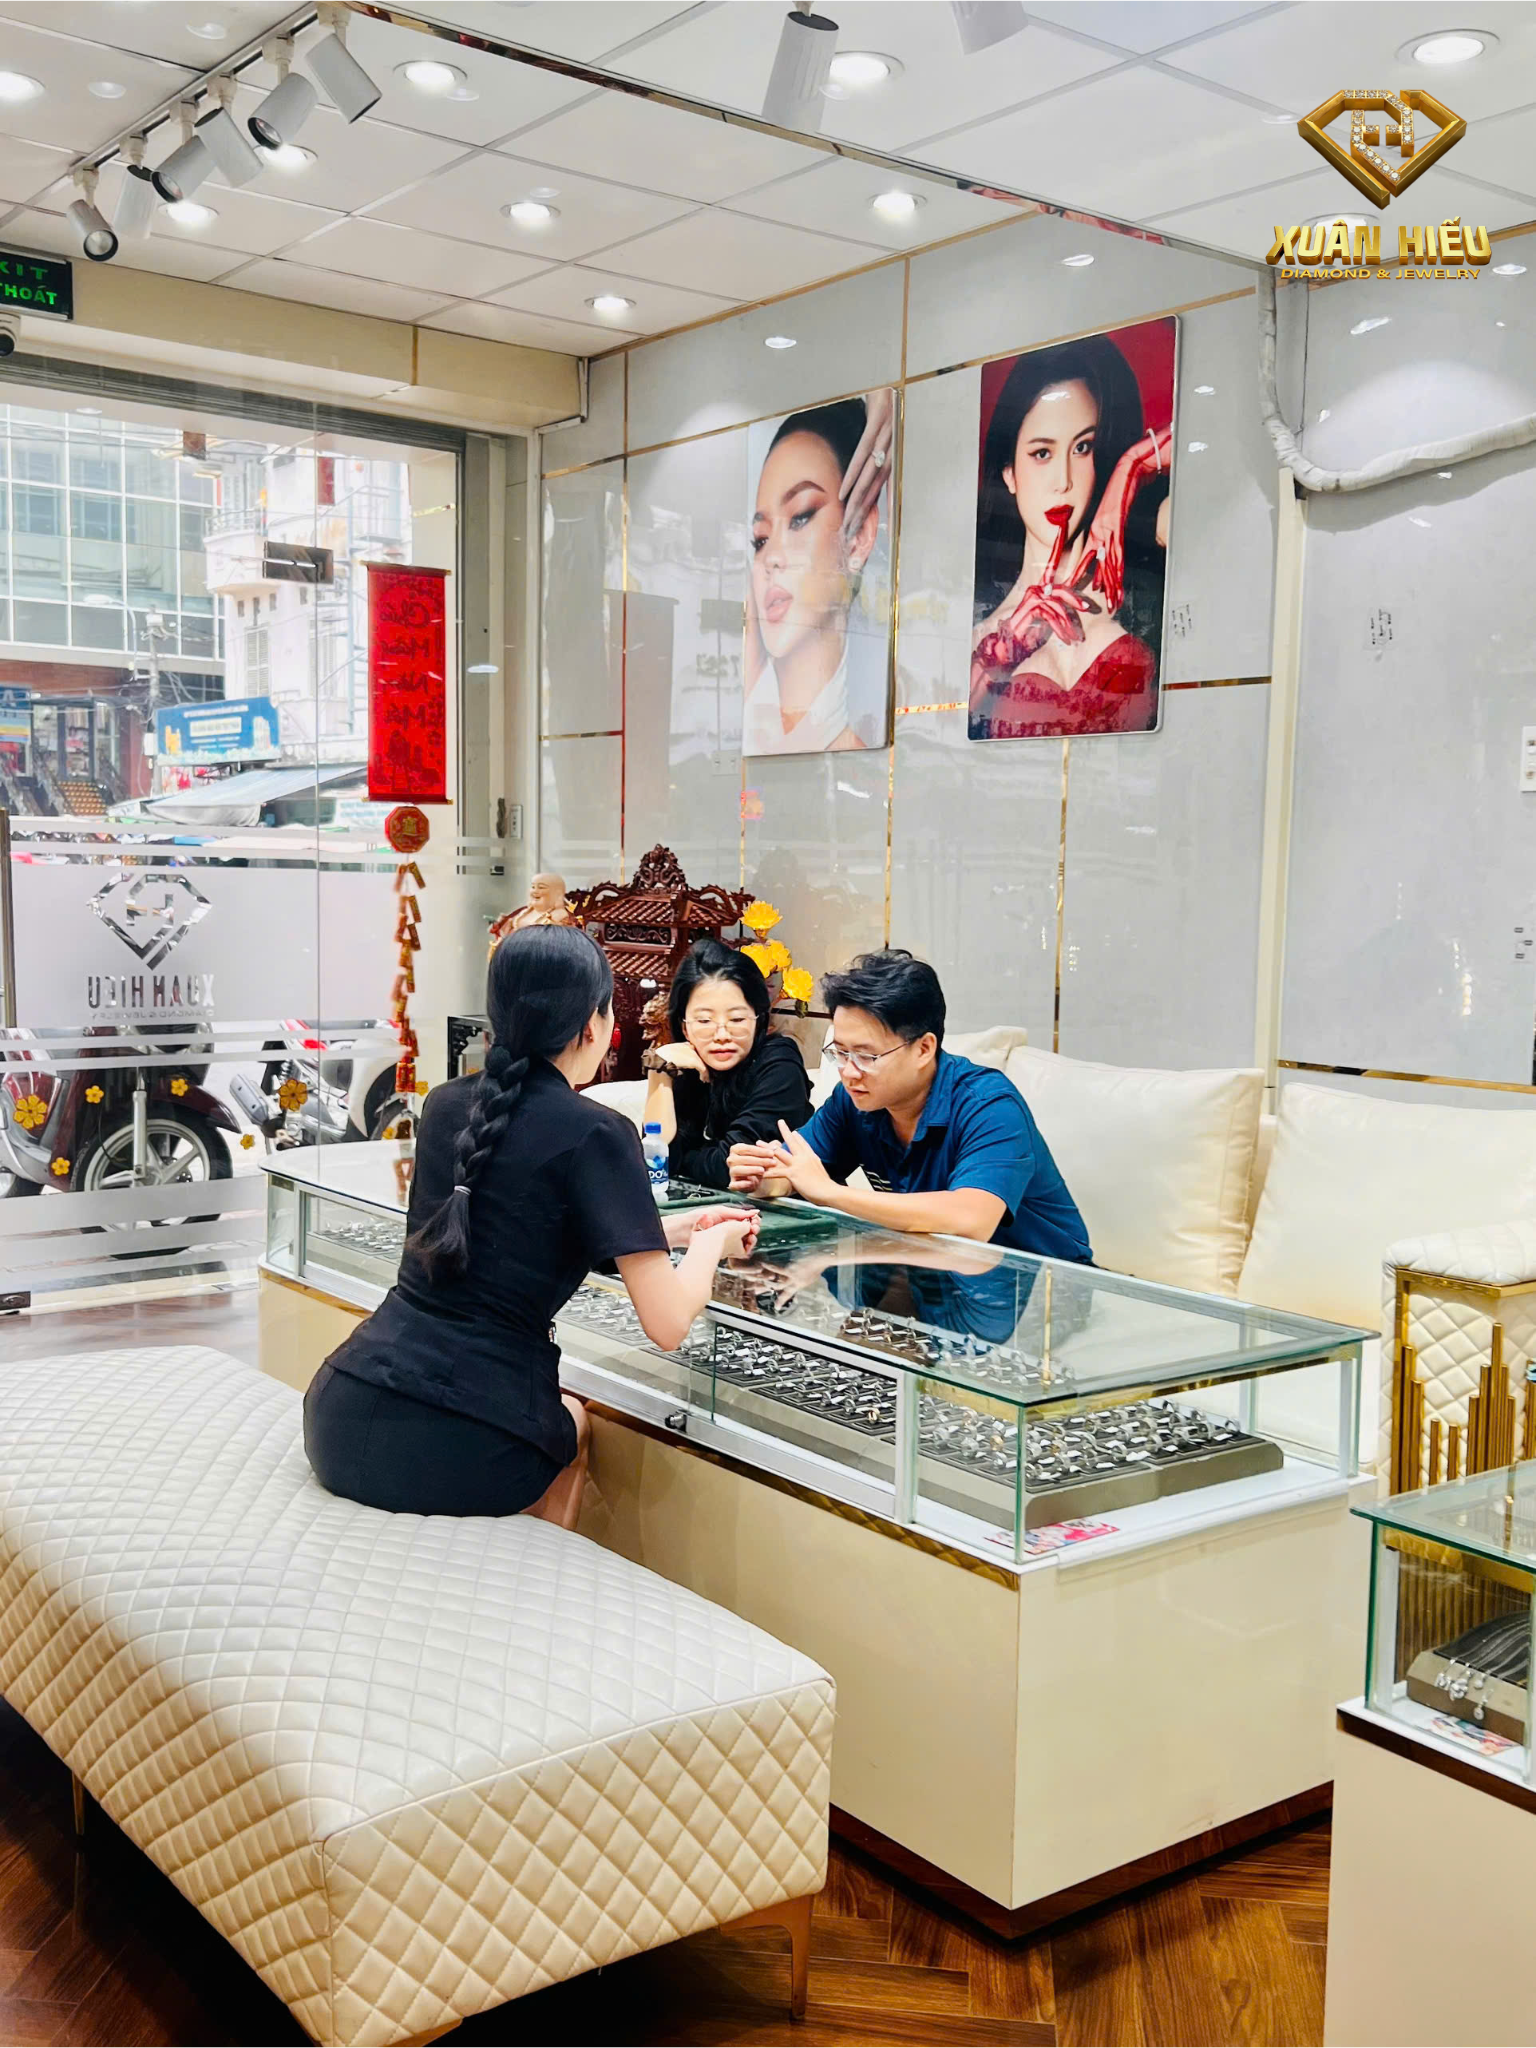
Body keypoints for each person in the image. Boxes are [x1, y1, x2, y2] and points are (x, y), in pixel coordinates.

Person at [304, 924, 758, 1525]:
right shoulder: (599, 1131)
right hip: (459, 1434)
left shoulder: (446, 1104)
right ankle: (534, 1578)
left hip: (340, 1407)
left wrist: (674, 1229)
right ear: (594, 1025)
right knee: (572, 1421)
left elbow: (518, 1226)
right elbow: (669, 1323)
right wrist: (712, 1243)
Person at [727, 949, 1091, 1262]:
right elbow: (793, 1170)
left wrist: (829, 1193)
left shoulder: (989, 1105)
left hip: (1044, 1290)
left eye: (867, 1056)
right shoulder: (854, 1099)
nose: (849, 1072)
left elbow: (972, 1219)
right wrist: (762, 1178)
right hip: (927, 1273)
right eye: (841, 1052)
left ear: (924, 1049)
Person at [970, 334, 1171, 741]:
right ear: (1009, 473)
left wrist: (1132, 467)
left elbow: (1234, 426)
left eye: (1083, 448)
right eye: (1042, 453)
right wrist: (1002, 654)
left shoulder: (1158, 536)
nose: (1063, 481)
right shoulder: (978, 636)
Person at [743, 391, 894, 756]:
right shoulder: (744, 728)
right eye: (760, 539)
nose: (771, 557)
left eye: (800, 517)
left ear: (859, 536)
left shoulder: (862, 747)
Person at [641, 938, 813, 1191]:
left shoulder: (780, 1064)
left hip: (791, 1210)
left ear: (758, 1019)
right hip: (709, 1210)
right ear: (684, 1026)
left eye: (737, 1019)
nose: (722, 1035)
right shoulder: (685, 1063)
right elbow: (656, 1161)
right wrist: (660, 1071)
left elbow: (732, 1168)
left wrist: (687, 1158)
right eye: (704, 1020)